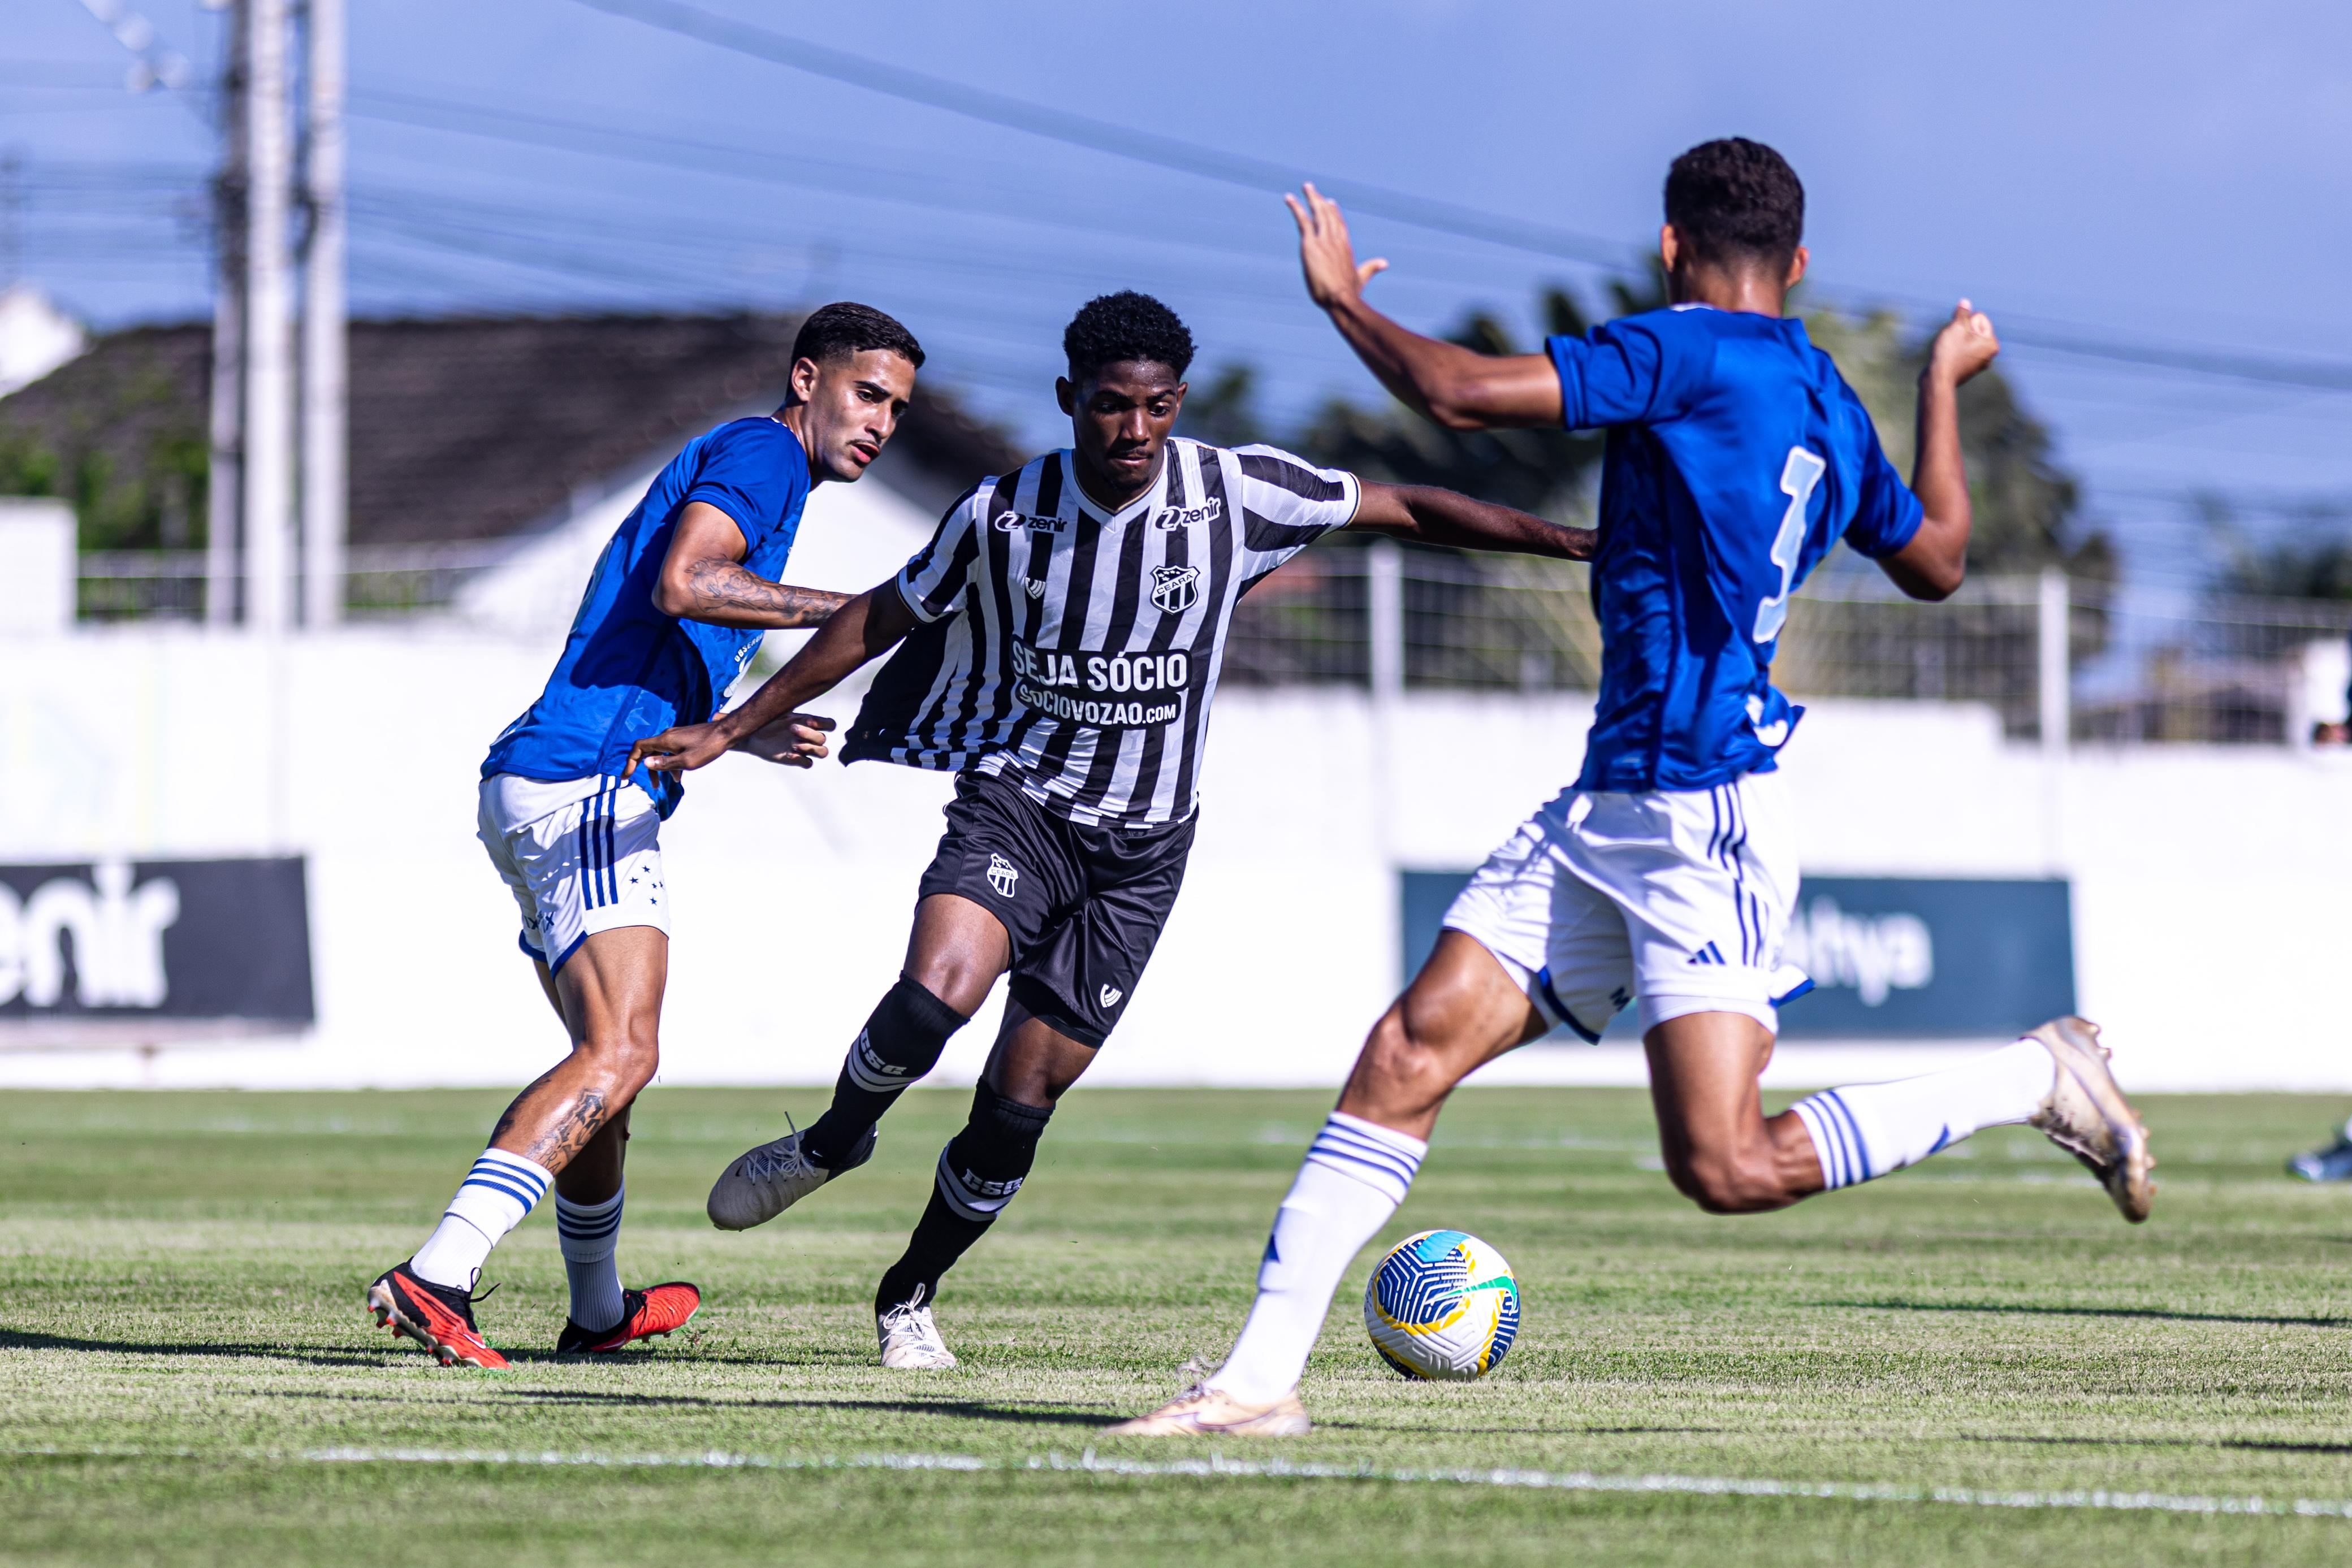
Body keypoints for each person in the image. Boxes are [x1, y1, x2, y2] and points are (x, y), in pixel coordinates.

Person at [1110, 138, 2156, 1437]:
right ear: (1801, 260)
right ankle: (1256, 1385)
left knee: (1723, 1164)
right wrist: (1939, 382)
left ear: (1671, 247)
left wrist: (1340, 299)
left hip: (1702, 803)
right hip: (1613, 799)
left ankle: (2031, 1076)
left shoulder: (1687, 347)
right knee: (1404, 1053)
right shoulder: (1827, 395)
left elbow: (1457, 394)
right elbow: (1939, 556)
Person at [625, 289, 1593, 1370]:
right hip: (1020, 805)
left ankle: (910, 1291)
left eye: (1158, 408)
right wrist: (731, 725)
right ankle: (832, 1140)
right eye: (1109, 409)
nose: (1135, 432)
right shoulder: (1004, 511)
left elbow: (1409, 508)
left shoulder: (1237, 494)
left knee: (1017, 1104)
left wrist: (1579, 544)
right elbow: (875, 619)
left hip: (1139, 857)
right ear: (1069, 401)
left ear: (1178, 403)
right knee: (931, 994)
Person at [365, 302, 924, 1369]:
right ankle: (439, 1272)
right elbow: (688, 580)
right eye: (868, 395)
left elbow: (669, 615)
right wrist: (865, 608)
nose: (884, 423)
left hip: (561, 777)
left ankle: (597, 1308)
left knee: (609, 1073)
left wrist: (734, 731)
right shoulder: (763, 452)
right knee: (622, 1052)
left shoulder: (767, 469)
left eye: (897, 408)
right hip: (586, 783)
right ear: (807, 379)